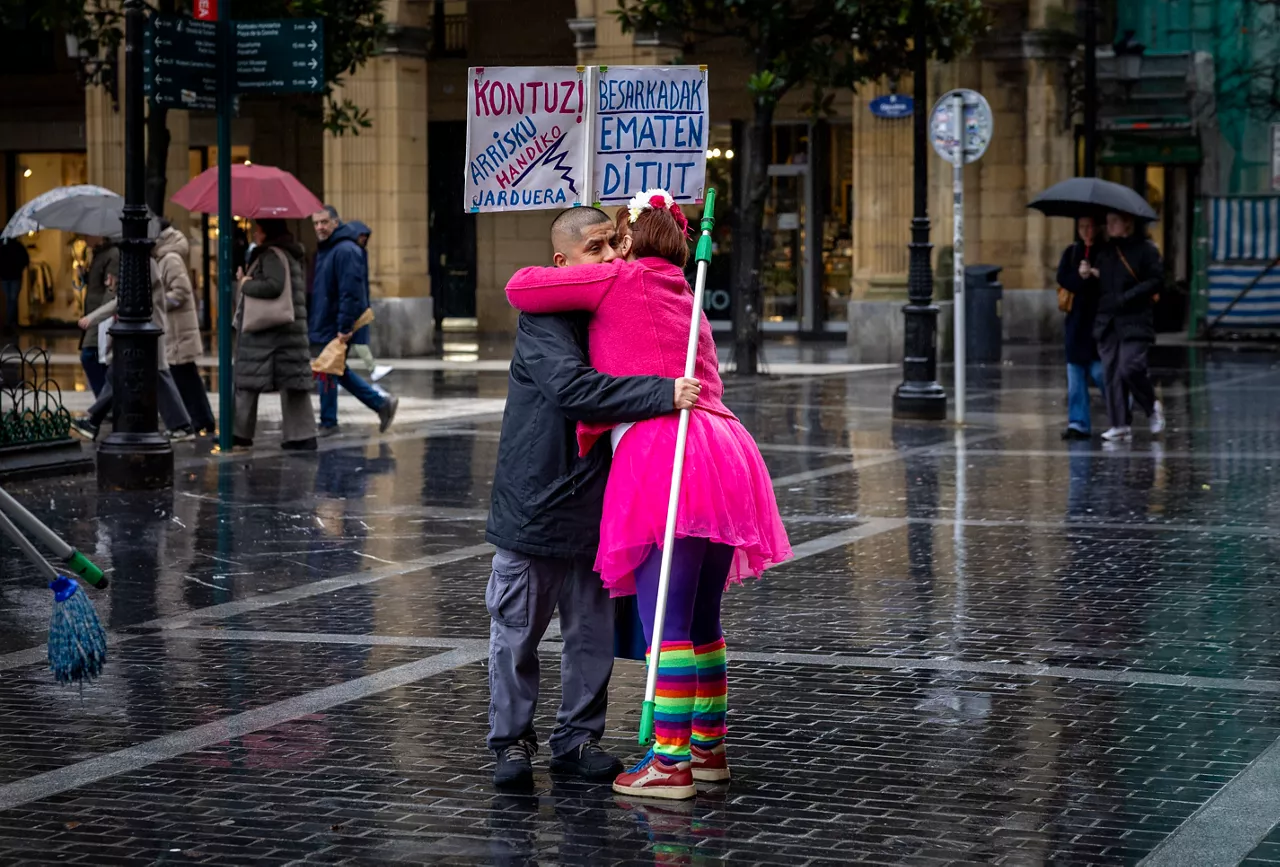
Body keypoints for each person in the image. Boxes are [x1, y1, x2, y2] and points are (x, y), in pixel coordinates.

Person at [505, 189, 792, 800]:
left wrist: (600, 266)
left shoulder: (617, 280)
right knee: (703, 618)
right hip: (727, 448)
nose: (608, 253)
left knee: (669, 622)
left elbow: (521, 288)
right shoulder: (684, 294)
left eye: (614, 241)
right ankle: (708, 750)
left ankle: (669, 763)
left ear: (629, 242)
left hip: (668, 454)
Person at [486, 206, 701, 791]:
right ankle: (511, 743)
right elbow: (575, 390)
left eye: (616, 245)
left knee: (591, 637)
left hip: (600, 507)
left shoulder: (618, 307)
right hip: (535, 503)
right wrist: (664, 392)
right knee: (517, 634)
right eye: (597, 248)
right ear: (563, 263)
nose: (611, 258)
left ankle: (578, 741)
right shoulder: (543, 318)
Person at [72, 264, 195, 443]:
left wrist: (92, 318)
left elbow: (124, 299)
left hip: (147, 331)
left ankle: (182, 425)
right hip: (143, 330)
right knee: (121, 373)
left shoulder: (146, 261)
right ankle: (93, 420)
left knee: (150, 374)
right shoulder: (147, 260)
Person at [309, 206, 398, 436]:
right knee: (334, 370)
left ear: (336, 223)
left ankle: (329, 421)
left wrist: (344, 326)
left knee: (328, 370)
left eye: (324, 222)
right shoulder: (329, 250)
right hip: (328, 322)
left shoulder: (345, 250)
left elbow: (350, 292)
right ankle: (380, 404)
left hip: (336, 324)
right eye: (316, 223)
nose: (320, 227)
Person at [233, 218, 317, 451]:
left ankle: (238, 433)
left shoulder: (272, 254)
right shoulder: (290, 253)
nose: (255, 234)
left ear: (266, 231)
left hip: (268, 332)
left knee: (246, 381)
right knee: (293, 384)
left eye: (258, 229)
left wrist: (245, 283)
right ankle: (301, 436)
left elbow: (273, 286)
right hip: (288, 333)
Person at [1089, 210, 1165, 442]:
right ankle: (1119, 423)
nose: (1109, 226)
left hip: (1135, 319)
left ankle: (1151, 406)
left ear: (1128, 224)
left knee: (1130, 366)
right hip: (1109, 319)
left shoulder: (1146, 250)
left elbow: (1156, 281)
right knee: (1110, 371)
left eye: (1114, 222)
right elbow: (1103, 283)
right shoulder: (1106, 251)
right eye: (1108, 221)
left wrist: (1128, 296)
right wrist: (1089, 272)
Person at [155, 221, 217, 436]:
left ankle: (196, 420)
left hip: (177, 330)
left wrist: (158, 302)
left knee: (182, 377)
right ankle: (201, 419)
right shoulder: (163, 258)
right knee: (186, 376)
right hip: (175, 330)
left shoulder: (169, 259)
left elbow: (180, 292)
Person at [1056, 215, 1107, 440]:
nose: (1087, 231)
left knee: (1100, 372)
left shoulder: (1106, 253)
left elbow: (1112, 283)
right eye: (1082, 227)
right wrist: (1079, 275)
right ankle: (1078, 423)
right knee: (1075, 377)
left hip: (1099, 323)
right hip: (1076, 324)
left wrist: (1096, 275)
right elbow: (1063, 279)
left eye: (1090, 226)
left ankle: (1120, 410)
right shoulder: (1072, 252)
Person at [344, 221, 392, 383]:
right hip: (354, 303)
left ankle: (336, 371)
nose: (363, 239)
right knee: (356, 338)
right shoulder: (352, 253)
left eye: (365, 236)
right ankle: (371, 368)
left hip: (359, 301)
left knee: (353, 339)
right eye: (361, 236)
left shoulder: (360, 252)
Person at [77, 236, 116, 396]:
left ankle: (104, 403)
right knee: (96, 358)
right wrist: (84, 276)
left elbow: (111, 290)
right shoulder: (98, 254)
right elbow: (99, 283)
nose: (84, 238)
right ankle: (105, 403)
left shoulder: (112, 254)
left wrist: (98, 317)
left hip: (100, 316)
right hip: (95, 314)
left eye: (87, 234)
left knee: (90, 356)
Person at [0, 238, 29, 335]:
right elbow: (25, 260)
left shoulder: (4, 246)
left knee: (10, 299)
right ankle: (11, 323)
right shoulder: (17, 246)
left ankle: (9, 323)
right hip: (12, 276)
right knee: (12, 300)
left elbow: (25, 260)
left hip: (7, 276)